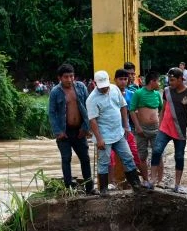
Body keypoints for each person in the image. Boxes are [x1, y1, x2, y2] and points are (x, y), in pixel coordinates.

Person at [86, 70, 144, 196]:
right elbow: (93, 121)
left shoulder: (114, 89)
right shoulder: (92, 99)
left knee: (128, 158)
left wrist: (126, 126)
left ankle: (136, 186)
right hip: (104, 137)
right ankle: (104, 190)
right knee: (104, 162)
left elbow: (123, 107)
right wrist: (99, 139)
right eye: (101, 87)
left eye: (106, 86)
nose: (105, 89)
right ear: (95, 84)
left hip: (119, 133)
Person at [48, 63, 94, 194]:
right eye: (66, 77)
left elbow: (88, 107)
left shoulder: (81, 87)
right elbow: (52, 113)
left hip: (80, 130)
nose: (69, 79)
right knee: (66, 158)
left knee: (85, 158)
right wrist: (58, 132)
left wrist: (86, 127)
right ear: (60, 78)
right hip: (64, 131)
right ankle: (69, 187)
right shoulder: (55, 92)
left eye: (71, 76)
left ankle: (90, 187)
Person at [151, 67, 187, 193]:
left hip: (180, 131)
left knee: (179, 157)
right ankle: (152, 181)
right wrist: (160, 126)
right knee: (156, 151)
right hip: (165, 129)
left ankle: (177, 185)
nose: (169, 83)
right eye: (169, 80)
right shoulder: (167, 91)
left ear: (180, 79)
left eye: (172, 80)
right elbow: (163, 110)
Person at [130, 70, 163, 188]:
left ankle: (159, 180)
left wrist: (160, 123)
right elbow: (132, 110)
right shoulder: (139, 93)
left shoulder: (157, 94)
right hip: (141, 129)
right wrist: (137, 126)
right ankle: (145, 179)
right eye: (158, 81)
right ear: (152, 81)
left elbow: (161, 109)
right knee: (142, 155)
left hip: (155, 129)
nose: (159, 83)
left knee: (158, 154)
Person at [110, 68, 142, 183]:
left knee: (133, 153)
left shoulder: (131, 94)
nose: (123, 81)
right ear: (115, 80)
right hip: (111, 130)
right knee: (110, 157)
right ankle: (111, 181)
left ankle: (141, 178)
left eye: (125, 79)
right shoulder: (109, 94)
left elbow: (134, 111)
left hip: (127, 128)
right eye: (120, 79)